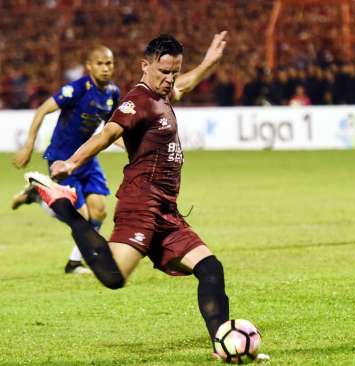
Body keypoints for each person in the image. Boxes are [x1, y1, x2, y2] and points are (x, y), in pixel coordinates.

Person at [24, 33, 263, 360]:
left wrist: (209, 62)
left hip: (167, 212)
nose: (170, 79)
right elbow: (108, 134)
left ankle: (224, 346)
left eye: (174, 72)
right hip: (141, 205)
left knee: (211, 268)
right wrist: (72, 162)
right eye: (164, 72)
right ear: (145, 66)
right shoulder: (136, 100)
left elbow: (186, 85)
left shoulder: (163, 95)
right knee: (112, 278)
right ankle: (62, 204)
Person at [12, 46, 121, 274]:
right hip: (62, 159)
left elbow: (112, 131)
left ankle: (74, 263)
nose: (105, 68)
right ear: (89, 66)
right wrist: (28, 145)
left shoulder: (112, 93)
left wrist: (135, 147)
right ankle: (39, 197)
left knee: (99, 211)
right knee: (80, 217)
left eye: (109, 63)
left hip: (86, 158)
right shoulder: (77, 89)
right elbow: (42, 110)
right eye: (99, 63)